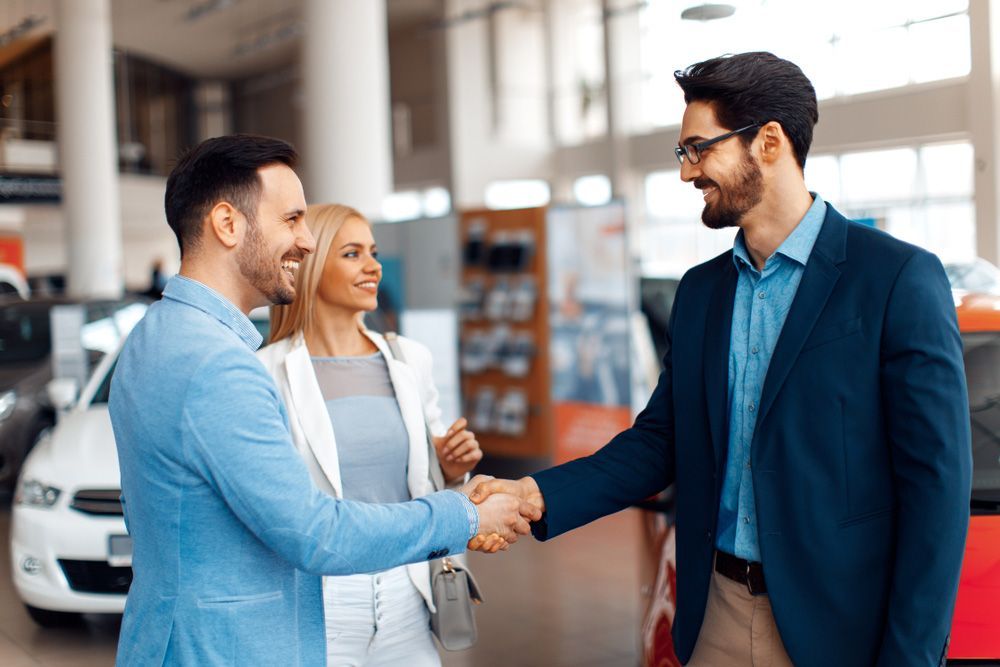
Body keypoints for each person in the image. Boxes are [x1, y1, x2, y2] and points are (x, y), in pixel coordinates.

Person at [471, 52, 972, 667]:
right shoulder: (701, 292)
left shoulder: (895, 278)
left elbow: (936, 489)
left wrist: (911, 658)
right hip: (717, 618)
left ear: (768, 142)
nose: (687, 174)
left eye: (697, 149)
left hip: (844, 628)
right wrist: (532, 493)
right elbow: (658, 441)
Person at [108, 134, 538, 666]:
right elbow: (315, 534)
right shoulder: (219, 365)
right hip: (225, 648)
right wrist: (465, 518)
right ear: (226, 224)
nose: (306, 242)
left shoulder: (153, 336)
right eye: (291, 220)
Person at [257, 203, 483, 666]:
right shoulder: (268, 372)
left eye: (373, 252)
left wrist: (451, 466)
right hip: (322, 600)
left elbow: (427, 484)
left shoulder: (408, 359)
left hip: (408, 590)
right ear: (314, 266)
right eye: (352, 253)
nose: (373, 266)